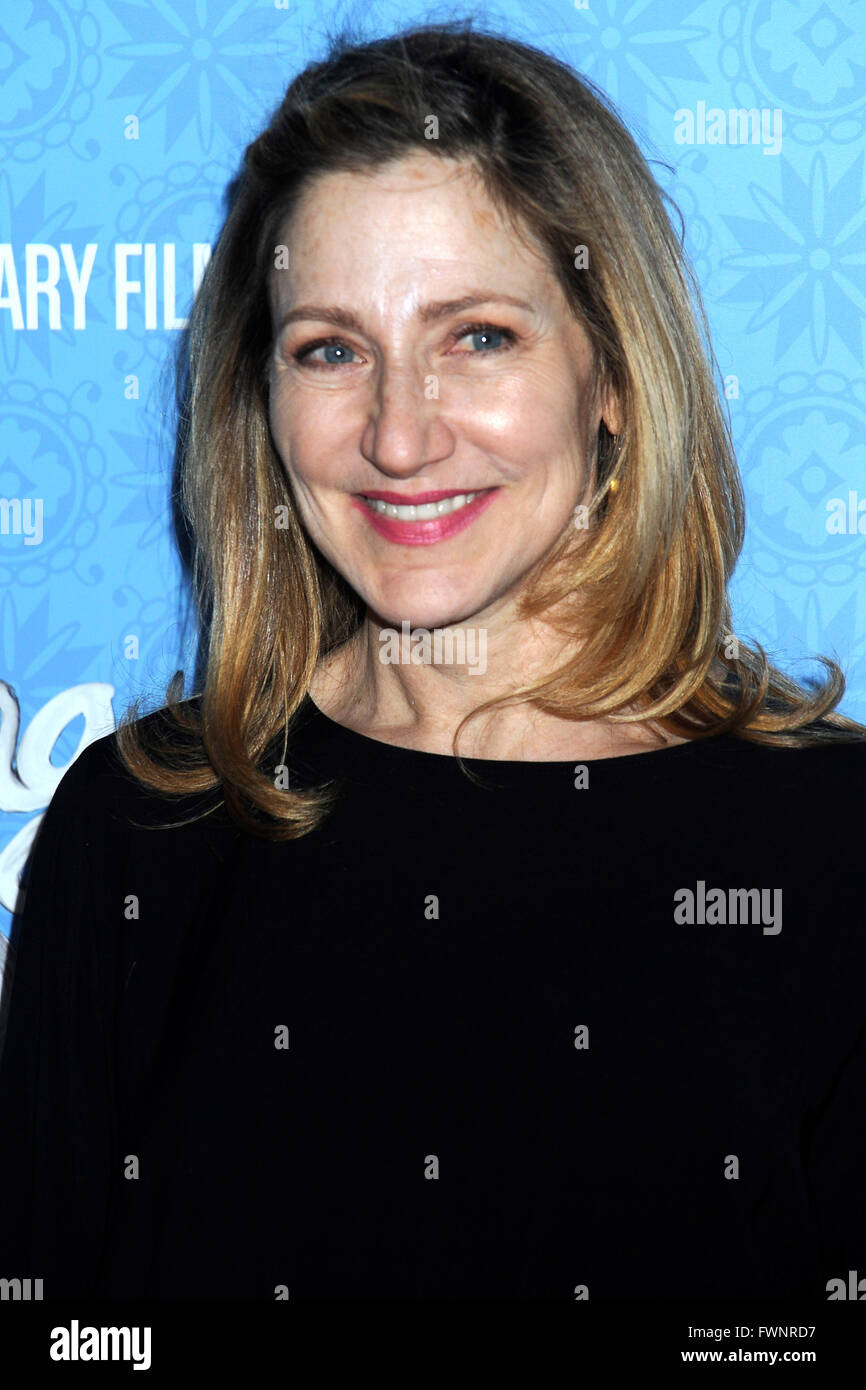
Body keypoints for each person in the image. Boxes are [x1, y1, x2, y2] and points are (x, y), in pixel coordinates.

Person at [1, 21, 864, 1302]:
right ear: (262, 398)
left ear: (612, 374)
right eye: (330, 350)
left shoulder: (835, 846)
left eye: (476, 337)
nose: (399, 437)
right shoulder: (136, 831)